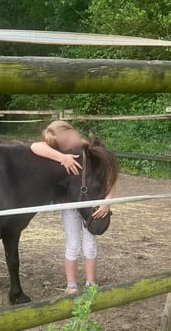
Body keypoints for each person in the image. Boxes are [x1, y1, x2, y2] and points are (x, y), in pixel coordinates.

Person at [30, 121, 115, 294]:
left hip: (91, 202)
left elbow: (110, 173)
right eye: (64, 144)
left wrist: (107, 201)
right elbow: (35, 146)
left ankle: (91, 283)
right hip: (69, 204)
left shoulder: (93, 149)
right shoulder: (62, 152)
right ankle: (72, 285)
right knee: (73, 244)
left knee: (90, 243)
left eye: (69, 138)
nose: (70, 144)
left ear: (73, 130)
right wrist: (62, 157)